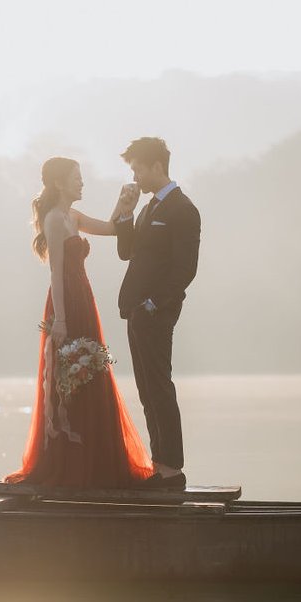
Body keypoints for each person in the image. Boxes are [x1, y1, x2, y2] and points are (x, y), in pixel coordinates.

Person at [5, 157, 153, 488]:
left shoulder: (73, 216)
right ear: (59, 183)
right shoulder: (55, 219)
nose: (82, 183)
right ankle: (72, 463)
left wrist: (126, 201)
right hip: (65, 303)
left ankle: (100, 461)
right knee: (69, 379)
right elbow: (55, 271)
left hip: (85, 299)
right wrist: (60, 320)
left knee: (92, 375)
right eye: (76, 178)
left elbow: (113, 228)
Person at [113, 137, 200, 491]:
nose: (135, 176)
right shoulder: (149, 208)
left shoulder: (183, 209)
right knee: (147, 389)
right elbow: (126, 252)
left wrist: (153, 304)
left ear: (156, 167)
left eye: (137, 168)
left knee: (160, 386)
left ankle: (172, 470)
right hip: (136, 311)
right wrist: (124, 214)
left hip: (157, 312)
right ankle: (158, 463)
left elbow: (185, 269)